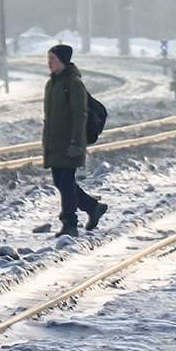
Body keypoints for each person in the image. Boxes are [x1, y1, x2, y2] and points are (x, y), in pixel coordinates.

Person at [44, 44, 106, 237]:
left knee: (66, 181)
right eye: (49, 60)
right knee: (61, 182)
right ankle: (93, 207)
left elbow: (80, 115)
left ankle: (70, 223)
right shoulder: (52, 84)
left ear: (63, 61)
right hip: (55, 143)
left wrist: (76, 143)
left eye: (53, 60)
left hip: (71, 142)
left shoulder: (74, 83)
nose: (50, 64)